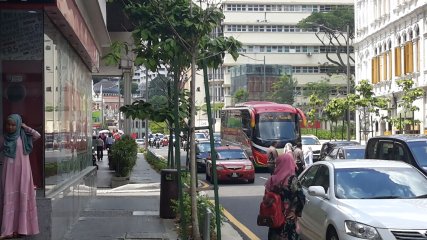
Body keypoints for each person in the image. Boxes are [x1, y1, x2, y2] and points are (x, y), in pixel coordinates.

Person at [0, 114, 40, 239]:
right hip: (9, 172)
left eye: (13, 125)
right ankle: (7, 231)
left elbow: (37, 135)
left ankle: (21, 229)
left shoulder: (24, 137)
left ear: (18, 125)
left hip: (23, 172)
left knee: (22, 198)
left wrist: (25, 127)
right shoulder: (4, 138)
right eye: (8, 124)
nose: (10, 127)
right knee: (9, 198)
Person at [265, 153, 305, 240]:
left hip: (274, 218)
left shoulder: (271, 180)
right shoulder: (292, 180)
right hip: (288, 219)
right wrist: (295, 212)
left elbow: (266, 199)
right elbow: (301, 197)